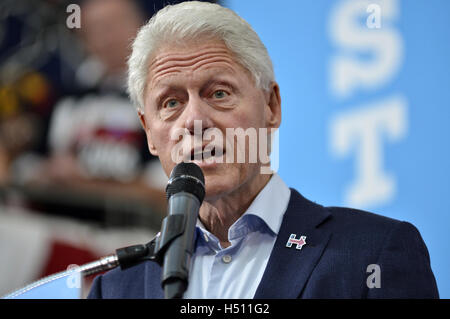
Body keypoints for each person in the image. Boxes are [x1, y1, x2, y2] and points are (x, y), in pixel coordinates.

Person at [88, 1, 439, 298]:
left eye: (219, 93)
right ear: (149, 131)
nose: (194, 120)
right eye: (171, 102)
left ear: (271, 106)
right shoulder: (116, 288)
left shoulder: (371, 253)